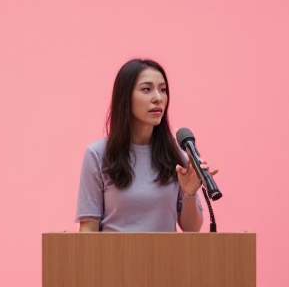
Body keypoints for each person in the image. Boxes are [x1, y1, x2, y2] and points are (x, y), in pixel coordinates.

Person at [75, 59, 219, 232]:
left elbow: (191, 229)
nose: (158, 98)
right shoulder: (98, 154)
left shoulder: (176, 155)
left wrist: (189, 194)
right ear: (125, 97)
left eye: (163, 90)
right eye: (146, 89)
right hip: (113, 258)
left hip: (166, 258)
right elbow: (88, 230)